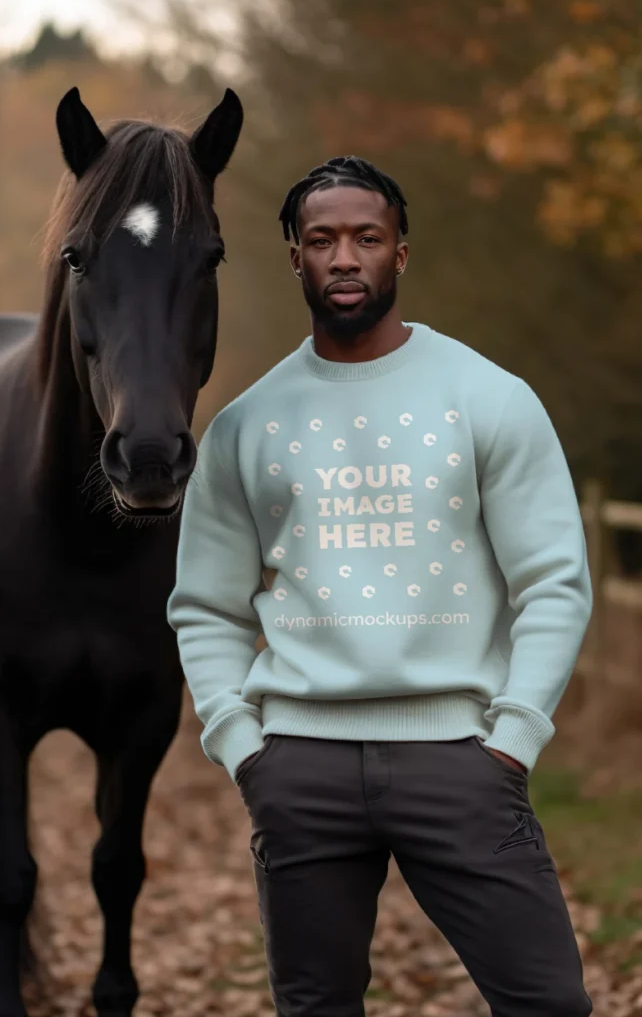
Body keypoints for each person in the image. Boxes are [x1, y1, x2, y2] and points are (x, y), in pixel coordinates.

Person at [167, 156, 594, 1017]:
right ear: (294, 256)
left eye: (368, 238)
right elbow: (205, 607)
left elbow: (553, 582)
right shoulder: (246, 426)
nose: (346, 258)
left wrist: (514, 739)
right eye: (322, 240)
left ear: (402, 253)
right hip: (299, 768)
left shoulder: (489, 399)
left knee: (550, 1005)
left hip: (462, 762)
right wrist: (242, 745)